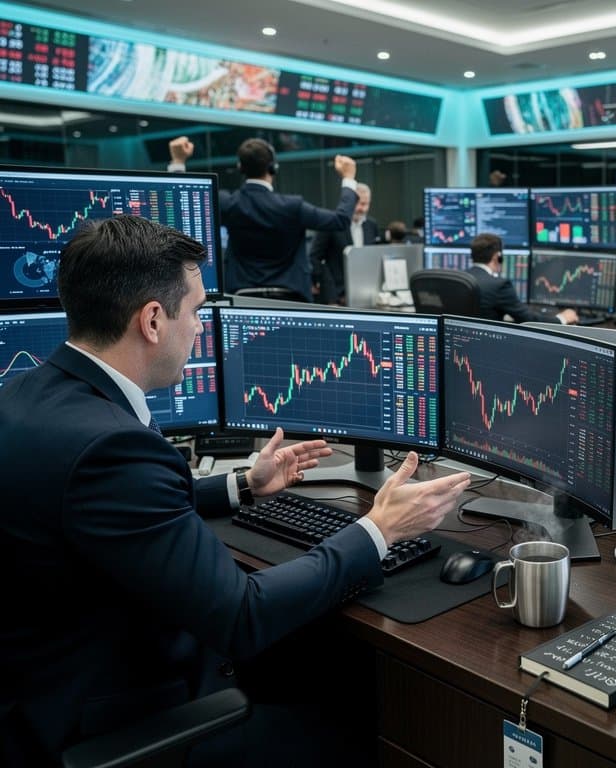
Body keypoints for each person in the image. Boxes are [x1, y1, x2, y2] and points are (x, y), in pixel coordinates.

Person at [0, 215, 471, 764]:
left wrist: (243, 485)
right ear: (152, 320)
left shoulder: (25, 394)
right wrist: (380, 528)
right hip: (112, 716)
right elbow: (241, 617)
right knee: (351, 718)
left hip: (36, 689)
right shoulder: (112, 447)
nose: (201, 327)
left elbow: (97, 510)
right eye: (197, 310)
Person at [168, 135, 358, 302]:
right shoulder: (293, 207)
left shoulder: (229, 203)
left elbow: (181, 198)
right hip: (292, 298)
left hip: (242, 296)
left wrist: (178, 161)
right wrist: (348, 179)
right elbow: (339, 220)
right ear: (273, 167)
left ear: (240, 167)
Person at [468, 233, 578, 325]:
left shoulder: (461, 280)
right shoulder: (499, 285)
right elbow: (528, 319)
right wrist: (562, 319)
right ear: (497, 256)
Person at [310, 182, 381, 304]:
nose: (361, 208)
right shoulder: (331, 223)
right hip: (336, 295)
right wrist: (331, 297)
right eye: (358, 203)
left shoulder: (371, 225)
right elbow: (315, 258)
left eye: (365, 204)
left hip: (365, 294)